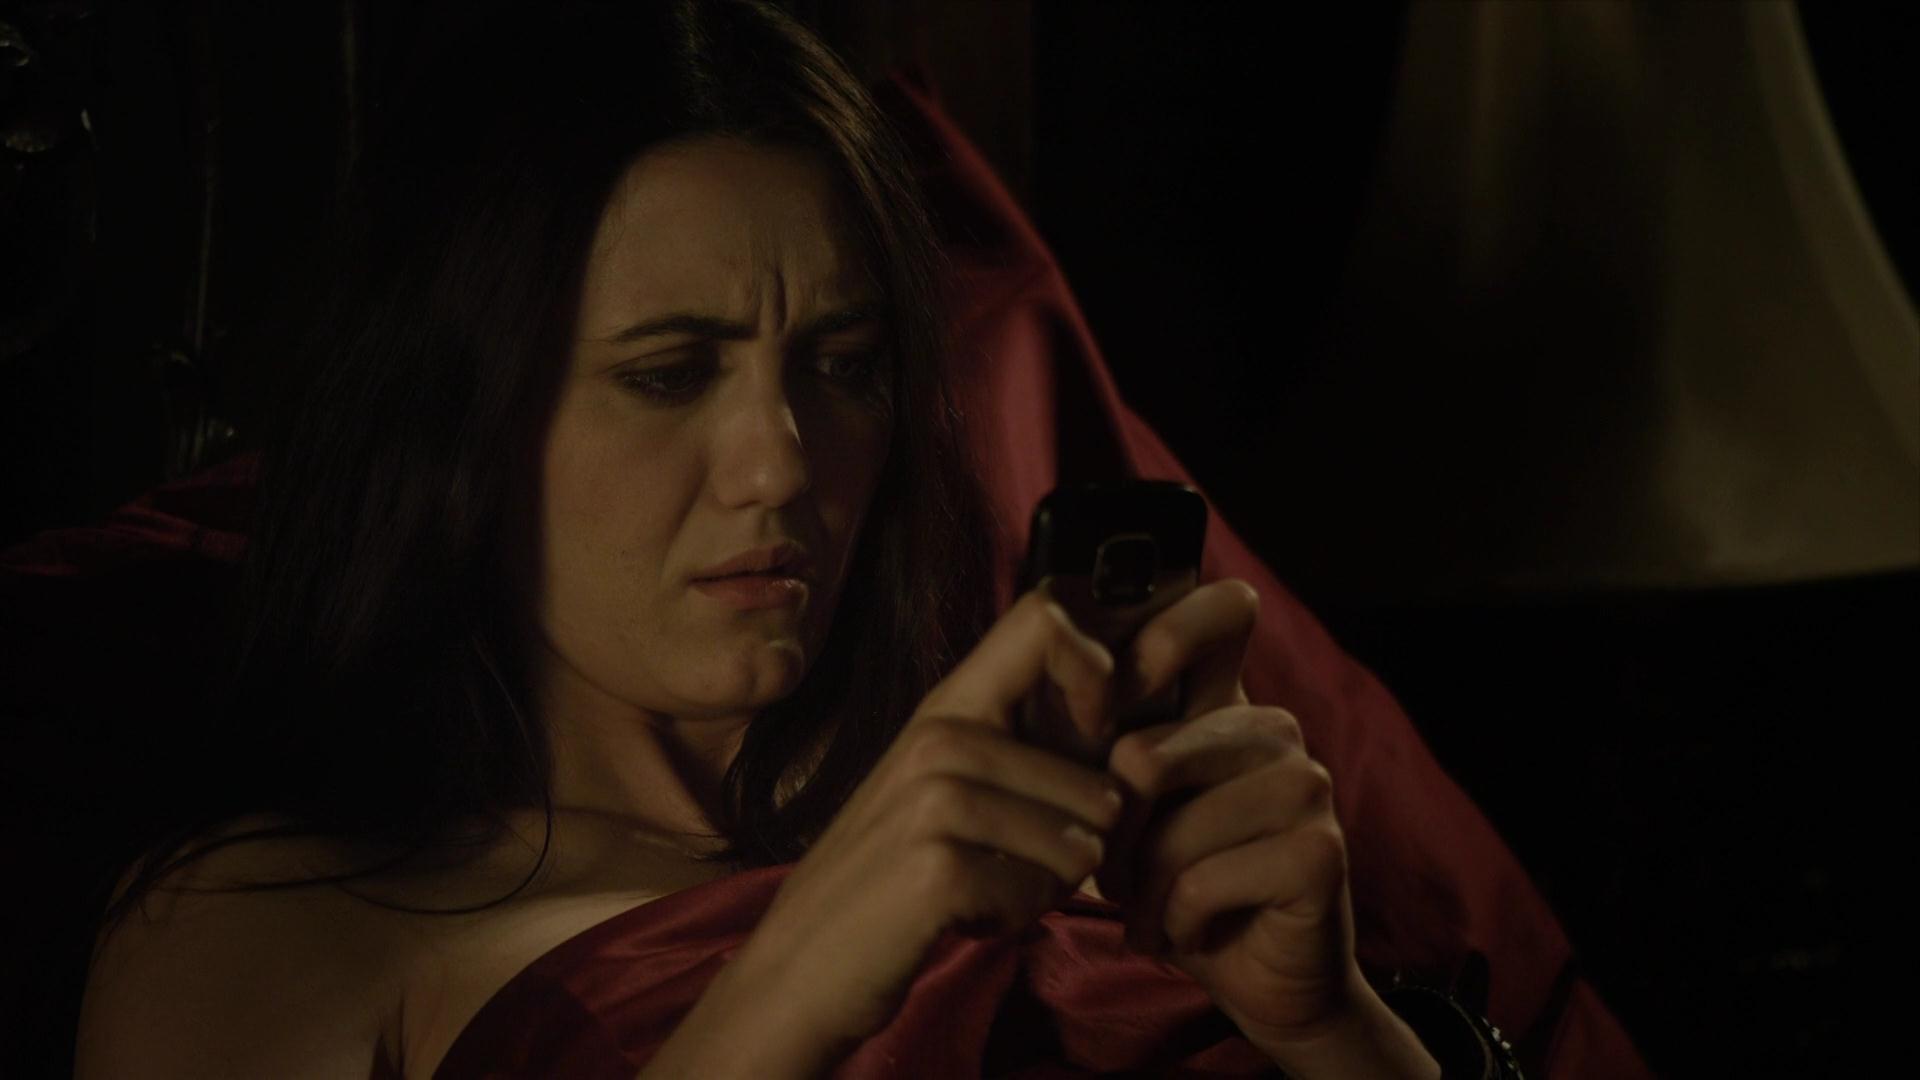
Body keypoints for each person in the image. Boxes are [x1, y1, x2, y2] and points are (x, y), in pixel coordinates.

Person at [70, 2, 1575, 1076]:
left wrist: (1333, 1029)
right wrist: (793, 986)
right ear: (458, 426)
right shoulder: (276, 921)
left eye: (843, 366)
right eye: (669, 374)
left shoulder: (1058, 851)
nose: (781, 464)